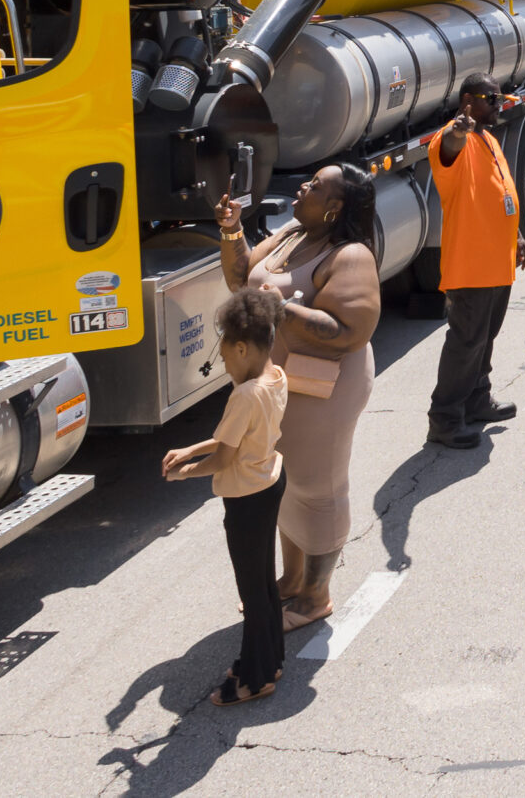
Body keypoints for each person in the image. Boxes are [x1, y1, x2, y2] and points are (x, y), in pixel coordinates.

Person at [217, 162, 380, 632]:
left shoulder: (349, 256)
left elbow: (352, 331)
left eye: (315, 187)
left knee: (319, 488)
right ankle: (291, 580)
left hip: (324, 388)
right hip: (281, 386)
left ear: (335, 207)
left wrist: (284, 309)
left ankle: (316, 595)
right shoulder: (293, 232)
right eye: (308, 181)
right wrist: (232, 232)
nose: (303, 188)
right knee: (282, 481)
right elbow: (242, 277)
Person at [162, 287, 289, 706]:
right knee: (264, 583)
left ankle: (255, 679)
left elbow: (224, 458)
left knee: (251, 592)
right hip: (269, 480)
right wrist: (191, 449)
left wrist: (186, 473)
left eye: (225, 357)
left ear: (240, 348)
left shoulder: (245, 393)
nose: (224, 365)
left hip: (246, 499)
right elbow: (232, 438)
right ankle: (270, 659)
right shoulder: (274, 377)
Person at [426, 74, 525, 451]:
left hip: (496, 263)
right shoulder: (452, 139)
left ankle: (476, 399)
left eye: (500, 96)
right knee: (465, 342)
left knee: (485, 338)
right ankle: (445, 418)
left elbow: (500, 193)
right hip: (471, 267)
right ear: (468, 100)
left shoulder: (487, 137)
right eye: (490, 97)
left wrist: (516, 235)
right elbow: (448, 150)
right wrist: (457, 131)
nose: (498, 103)